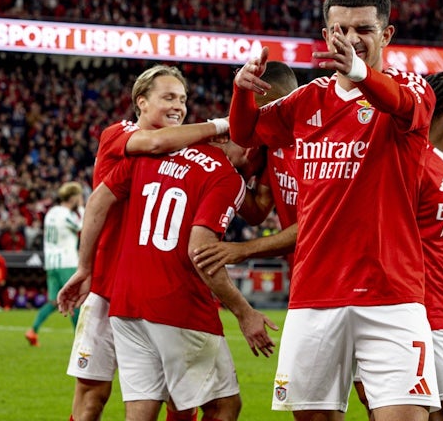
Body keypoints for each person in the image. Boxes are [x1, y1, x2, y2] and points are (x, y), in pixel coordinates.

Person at [229, 0, 440, 421]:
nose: (351, 38)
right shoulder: (308, 99)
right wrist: (241, 92)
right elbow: (245, 134)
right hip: (315, 293)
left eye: (364, 28)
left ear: (387, 35)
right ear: (326, 36)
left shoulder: (411, 88)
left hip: (391, 295)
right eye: (339, 28)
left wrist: (362, 76)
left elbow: (400, 103)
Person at [58, 131, 277, 421]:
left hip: (124, 302)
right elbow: (200, 251)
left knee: (141, 410)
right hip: (176, 301)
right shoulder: (226, 177)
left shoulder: (154, 152)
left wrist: (85, 266)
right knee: (223, 406)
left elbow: (98, 198)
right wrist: (244, 313)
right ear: (250, 152)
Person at [59, 64, 233, 421]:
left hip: (150, 291)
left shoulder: (181, 150)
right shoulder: (119, 134)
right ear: (141, 102)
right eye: (168, 97)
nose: (178, 106)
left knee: (176, 398)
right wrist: (219, 125)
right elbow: (152, 144)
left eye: (183, 99)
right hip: (107, 286)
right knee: (92, 395)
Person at [353, 71, 443, 421]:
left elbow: (437, 244)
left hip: (442, 309)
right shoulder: (414, 162)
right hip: (412, 309)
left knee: (428, 411)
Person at [193, 61, 299, 275]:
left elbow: (318, 224)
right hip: (302, 270)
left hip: (347, 270)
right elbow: (258, 210)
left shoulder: (320, 144)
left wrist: (244, 249)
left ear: (287, 100)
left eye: (261, 110)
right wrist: (225, 169)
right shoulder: (271, 146)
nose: (254, 121)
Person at [25, 181, 84, 347]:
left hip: (51, 263)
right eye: (79, 197)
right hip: (66, 262)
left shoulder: (51, 212)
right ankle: (79, 340)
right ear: (73, 198)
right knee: (74, 299)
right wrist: (81, 208)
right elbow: (82, 226)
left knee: (53, 301)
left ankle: (33, 330)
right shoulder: (66, 215)